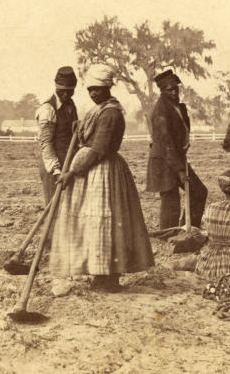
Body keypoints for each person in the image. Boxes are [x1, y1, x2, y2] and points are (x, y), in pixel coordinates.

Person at [50, 65, 154, 292]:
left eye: (98, 89)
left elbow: (98, 150)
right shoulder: (99, 110)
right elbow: (90, 139)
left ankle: (108, 277)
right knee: (93, 223)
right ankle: (98, 273)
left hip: (102, 171)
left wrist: (72, 172)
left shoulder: (111, 113)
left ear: (107, 87)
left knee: (104, 222)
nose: (93, 94)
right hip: (91, 170)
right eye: (90, 90)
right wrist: (80, 129)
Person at [146, 68, 207, 229]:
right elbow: (166, 144)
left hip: (177, 158)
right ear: (162, 91)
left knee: (199, 191)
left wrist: (181, 162)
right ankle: (167, 234)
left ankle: (190, 228)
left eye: (176, 88)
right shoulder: (160, 111)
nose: (174, 92)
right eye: (169, 90)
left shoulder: (179, 107)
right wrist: (180, 170)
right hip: (164, 161)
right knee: (171, 200)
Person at [34, 66, 79, 204]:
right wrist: (56, 170)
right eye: (62, 91)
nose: (66, 95)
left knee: (68, 207)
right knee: (54, 205)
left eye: (69, 91)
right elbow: (46, 144)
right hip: (53, 166)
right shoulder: (48, 109)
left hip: (68, 164)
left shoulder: (70, 105)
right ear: (56, 87)